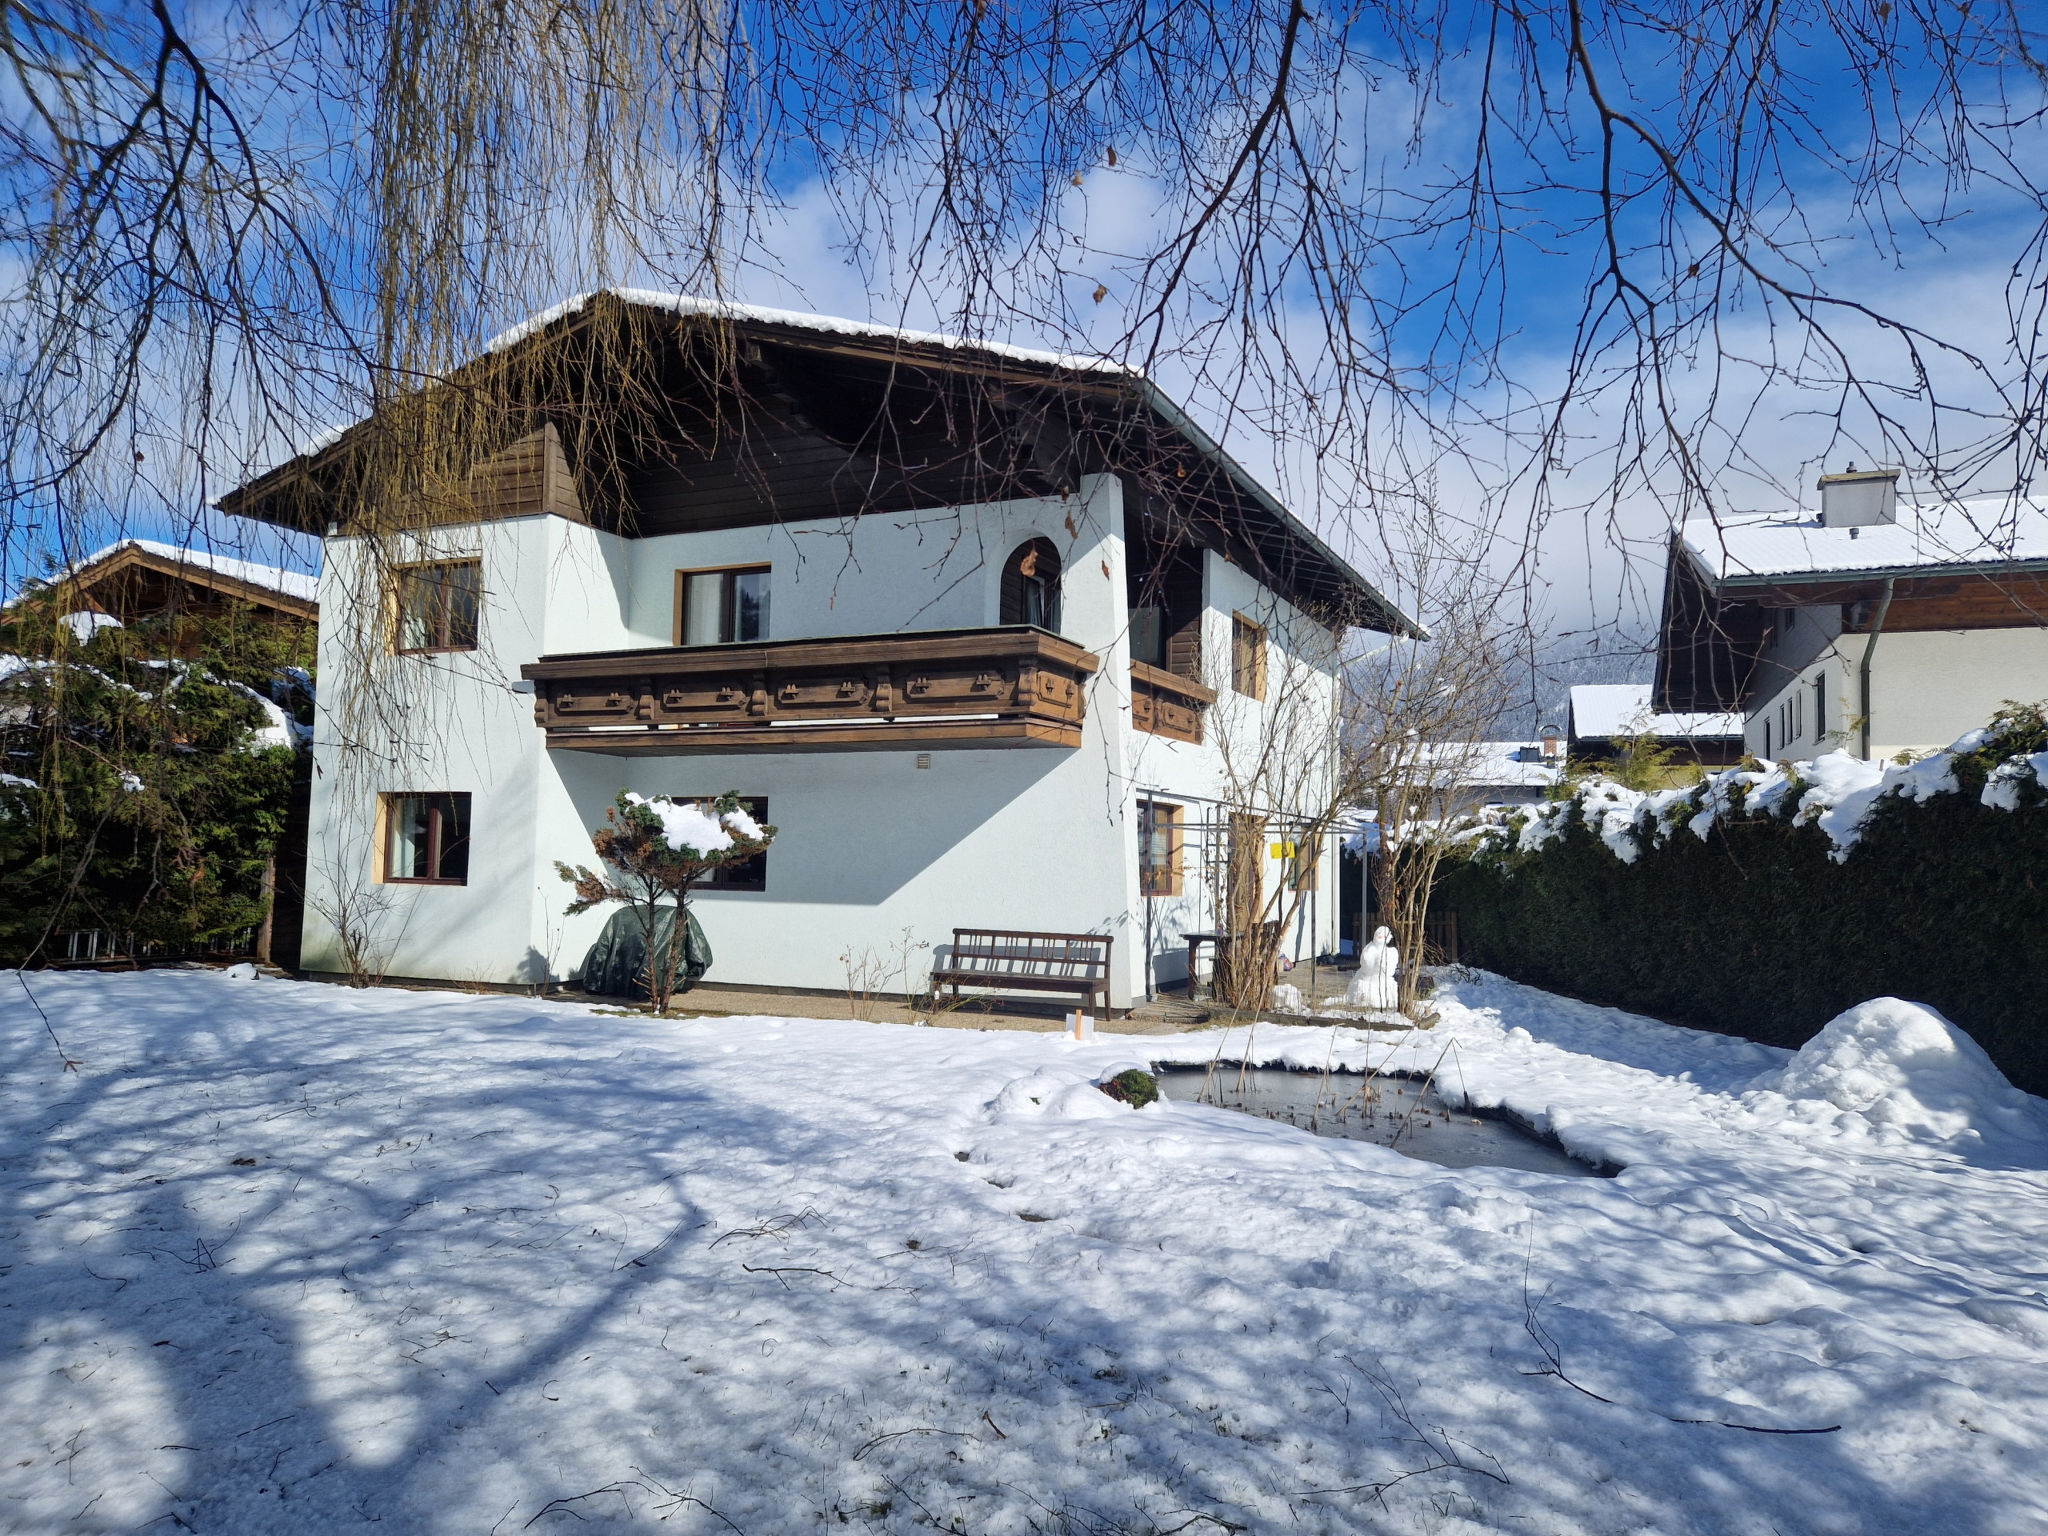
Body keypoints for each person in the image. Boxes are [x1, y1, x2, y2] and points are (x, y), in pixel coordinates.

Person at [1347, 925, 1399, 1010]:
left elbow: (1389, 970)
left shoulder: (1390, 952)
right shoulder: (1369, 949)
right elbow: (1365, 964)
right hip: (1366, 980)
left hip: (1382, 983)